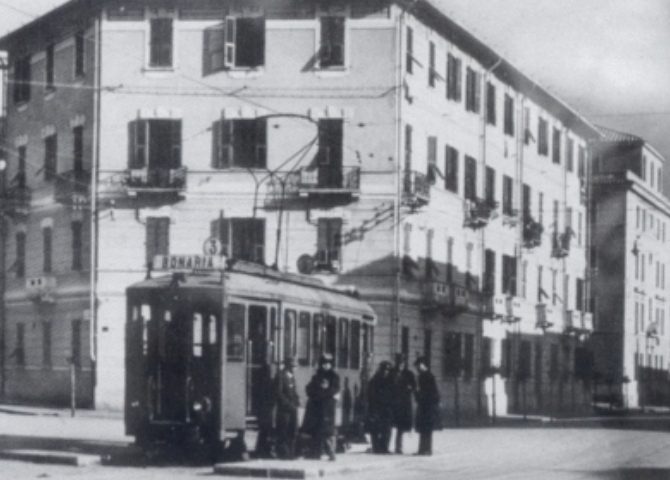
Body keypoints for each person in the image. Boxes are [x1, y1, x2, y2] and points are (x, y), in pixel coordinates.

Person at [301, 354, 340, 461]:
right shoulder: (317, 376)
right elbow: (309, 389)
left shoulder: (334, 377)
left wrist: (320, 393)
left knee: (327, 432)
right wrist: (320, 393)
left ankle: (331, 453)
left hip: (327, 408)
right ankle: (315, 453)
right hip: (317, 409)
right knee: (316, 431)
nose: (326, 366)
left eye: (328, 363)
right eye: (324, 363)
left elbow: (333, 391)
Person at [274, 357, 300, 459]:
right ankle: (283, 453)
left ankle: (291, 453)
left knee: (293, 430)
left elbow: (294, 392)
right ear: (288, 366)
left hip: (292, 408)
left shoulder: (291, 376)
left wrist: (297, 401)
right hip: (284, 409)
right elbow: (278, 393)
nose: (295, 368)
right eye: (293, 366)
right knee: (283, 431)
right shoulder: (280, 376)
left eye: (295, 366)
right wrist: (288, 404)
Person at [367, 360, 395, 453]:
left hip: (387, 409)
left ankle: (385, 447)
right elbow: (370, 395)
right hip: (377, 408)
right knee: (375, 428)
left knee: (387, 429)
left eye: (388, 370)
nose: (386, 372)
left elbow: (394, 395)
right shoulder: (374, 381)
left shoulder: (391, 381)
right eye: (384, 370)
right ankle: (376, 447)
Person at [414, 356, 440, 456]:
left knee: (426, 428)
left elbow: (428, 392)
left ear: (422, 365)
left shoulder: (426, 376)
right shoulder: (427, 375)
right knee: (424, 428)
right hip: (426, 405)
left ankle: (425, 449)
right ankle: (424, 449)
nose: (417, 368)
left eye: (417, 366)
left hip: (426, 406)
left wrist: (417, 394)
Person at [392, 354, 416, 454]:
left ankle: (398, 446)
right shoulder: (392, 372)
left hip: (404, 403)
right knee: (393, 425)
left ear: (404, 363)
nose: (400, 364)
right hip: (394, 402)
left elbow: (414, 386)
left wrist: (409, 388)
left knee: (401, 426)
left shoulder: (409, 374)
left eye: (401, 362)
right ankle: (393, 446)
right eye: (398, 362)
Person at [254, 362, 275, 458]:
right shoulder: (270, 382)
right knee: (267, 431)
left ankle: (259, 449)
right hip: (268, 410)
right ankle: (265, 450)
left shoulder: (258, 382)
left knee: (262, 431)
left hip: (260, 410)